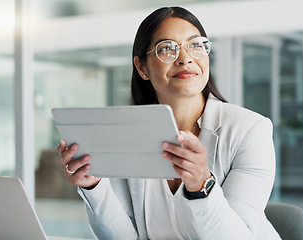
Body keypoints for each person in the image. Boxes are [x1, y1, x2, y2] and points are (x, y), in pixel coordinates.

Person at [57, 6, 280, 240]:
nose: (185, 59)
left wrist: (202, 186)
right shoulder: (127, 134)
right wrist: (92, 185)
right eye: (167, 49)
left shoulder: (251, 131)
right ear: (142, 67)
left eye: (196, 45)